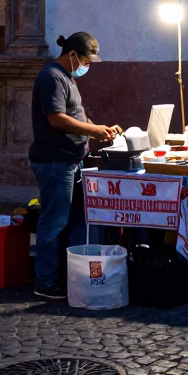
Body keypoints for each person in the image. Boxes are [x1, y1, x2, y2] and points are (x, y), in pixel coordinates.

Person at [29, 31, 116, 299]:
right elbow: (56, 119)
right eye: (86, 61)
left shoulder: (66, 77)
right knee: (54, 223)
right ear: (72, 55)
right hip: (55, 162)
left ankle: (67, 276)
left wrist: (100, 128)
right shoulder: (51, 77)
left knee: (74, 222)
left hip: (72, 162)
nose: (87, 66)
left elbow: (76, 114)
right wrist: (94, 131)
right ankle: (46, 282)